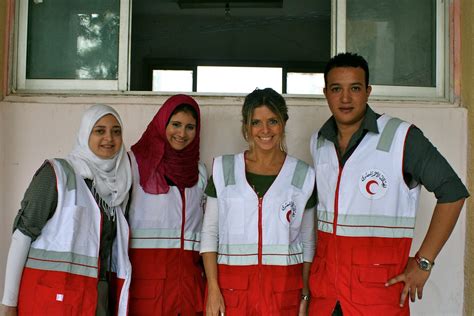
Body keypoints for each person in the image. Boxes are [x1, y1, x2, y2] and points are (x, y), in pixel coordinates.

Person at [308, 52, 469, 315]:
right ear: (326, 93)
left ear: (368, 91)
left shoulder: (402, 137)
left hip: (377, 295)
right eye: (337, 89)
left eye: (355, 88)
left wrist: (424, 261)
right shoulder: (318, 142)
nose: (345, 98)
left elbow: (452, 192)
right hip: (326, 295)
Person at [0, 104, 133, 315]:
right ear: (84, 134)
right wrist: (8, 304)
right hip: (52, 297)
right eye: (99, 131)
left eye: (116, 132)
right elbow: (22, 236)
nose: (109, 138)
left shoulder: (120, 185)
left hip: (96, 298)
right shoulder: (56, 174)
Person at [200, 88, 317, 316]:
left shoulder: (303, 175)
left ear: (283, 123)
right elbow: (209, 234)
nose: (265, 130)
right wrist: (213, 290)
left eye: (273, 121)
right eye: (256, 122)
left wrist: (304, 293)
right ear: (246, 127)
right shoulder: (223, 170)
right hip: (232, 293)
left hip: (284, 292)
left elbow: (308, 242)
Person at [127, 94, 207, 315]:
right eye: (176, 124)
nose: (182, 133)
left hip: (189, 293)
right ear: (162, 123)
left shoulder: (200, 172)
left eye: (190, 127)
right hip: (148, 293)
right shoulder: (134, 164)